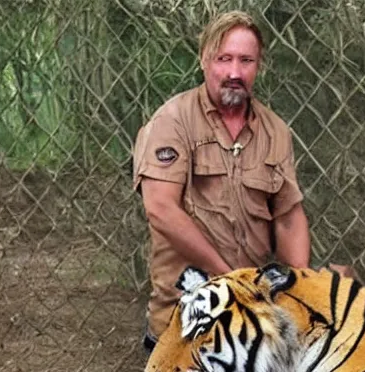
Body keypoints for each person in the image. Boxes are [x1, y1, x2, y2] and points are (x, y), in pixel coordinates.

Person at [132, 11, 352, 352]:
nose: (235, 72)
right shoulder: (172, 122)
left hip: (251, 317)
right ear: (204, 59)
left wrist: (300, 293)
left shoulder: (275, 131)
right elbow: (160, 209)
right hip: (188, 317)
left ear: (258, 66)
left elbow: (288, 218)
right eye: (224, 59)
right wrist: (232, 281)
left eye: (246, 61)